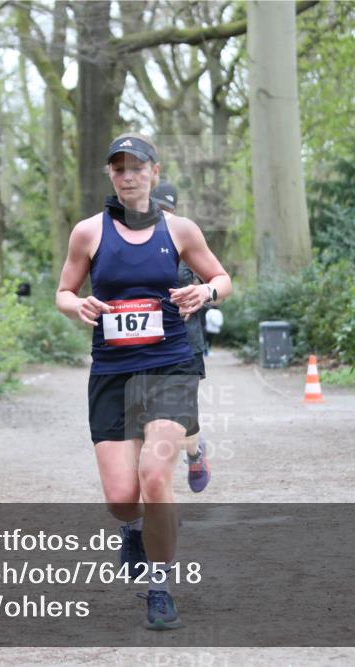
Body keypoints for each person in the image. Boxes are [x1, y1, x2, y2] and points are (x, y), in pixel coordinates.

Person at [56, 133, 232, 630]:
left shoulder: (180, 230)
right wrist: (79, 305)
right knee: (121, 499)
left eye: (137, 167)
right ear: (110, 175)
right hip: (112, 371)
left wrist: (206, 293)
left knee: (156, 478)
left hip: (169, 366)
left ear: (155, 173)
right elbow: (64, 291)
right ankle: (131, 527)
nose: (128, 175)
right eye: (119, 168)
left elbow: (221, 278)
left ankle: (160, 585)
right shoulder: (88, 233)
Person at [150, 182, 210, 494]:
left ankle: (195, 451)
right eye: (155, 208)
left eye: (166, 210)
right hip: (142, 347)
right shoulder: (129, 245)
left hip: (185, 343)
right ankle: (161, 496)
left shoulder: (187, 244)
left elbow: (217, 285)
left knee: (182, 415)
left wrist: (202, 295)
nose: (161, 215)